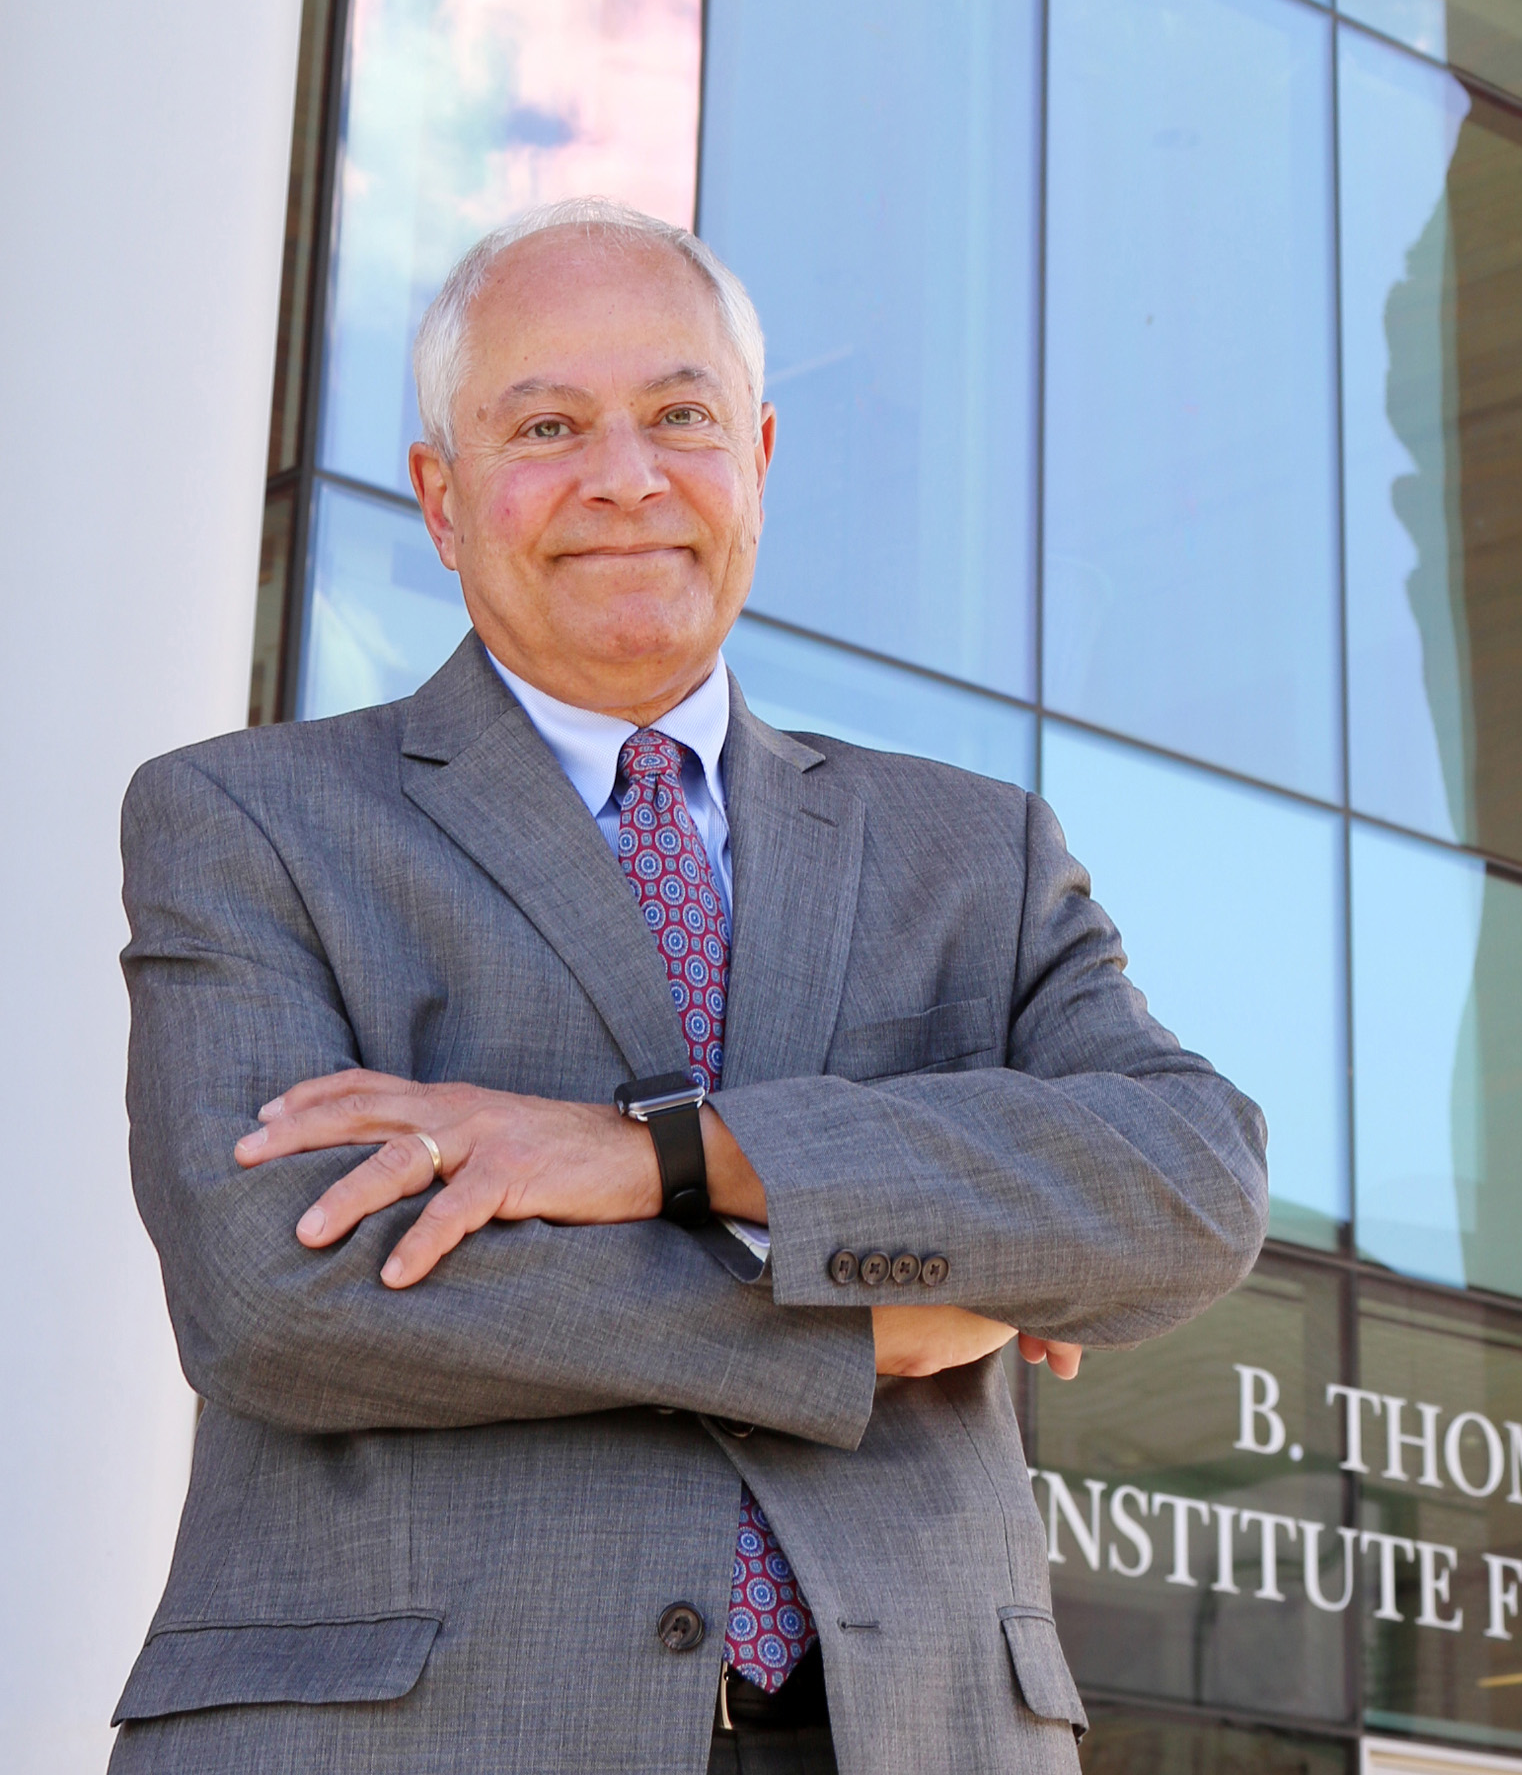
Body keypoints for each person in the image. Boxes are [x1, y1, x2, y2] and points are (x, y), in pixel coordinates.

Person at [110, 197, 1268, 1775]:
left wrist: (669, 1153)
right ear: (443, 501)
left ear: (761, 462)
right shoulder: (248, 818)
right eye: (547, 424)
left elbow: (1186, 1192)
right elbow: (279, 1297)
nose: (626, 476)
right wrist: (860, 1326)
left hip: (916, 1732)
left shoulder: (972, 850)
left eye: (679, 415)